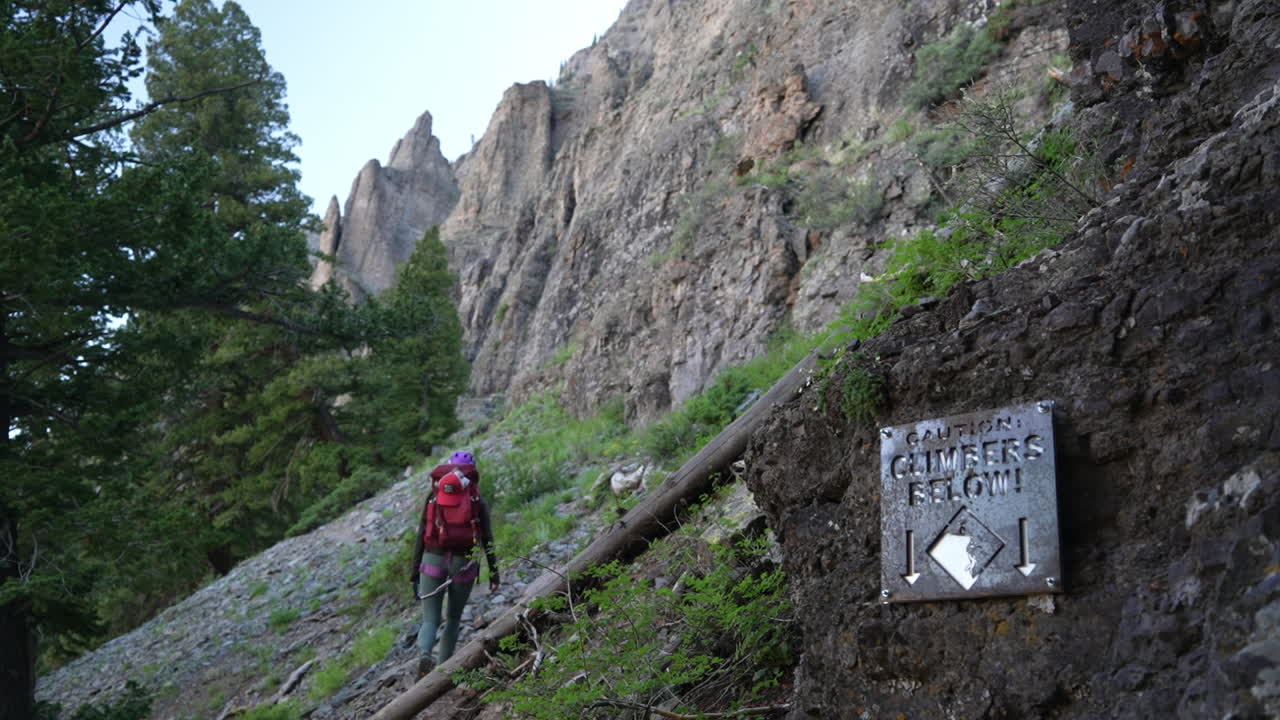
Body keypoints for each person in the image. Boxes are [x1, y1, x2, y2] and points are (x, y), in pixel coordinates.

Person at [410, 450, 499, 677]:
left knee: (430, 618)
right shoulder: (476, 498)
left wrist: (414, 573)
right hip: (464, 562)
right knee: (453, 618)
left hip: (432, 559)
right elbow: (487, 538)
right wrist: (494, 574)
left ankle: (424, 654)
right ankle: (443, 672)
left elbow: (422, 534)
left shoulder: (434, 496)